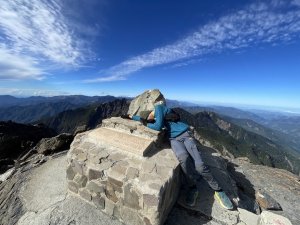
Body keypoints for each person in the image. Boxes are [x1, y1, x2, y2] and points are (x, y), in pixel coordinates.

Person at [121, 103, 233, 209]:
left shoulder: (159, 108)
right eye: (149, 120)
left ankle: (218, 190)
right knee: (183, 159)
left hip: (185, 134)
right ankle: (193, 187)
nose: (150, 120)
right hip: (173, 139)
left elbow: (158, 126)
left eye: (150, 118)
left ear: (151, 112)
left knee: (199, 165)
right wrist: (130, 116)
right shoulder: (155, 118)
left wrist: (146, 122)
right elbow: (142, 119)